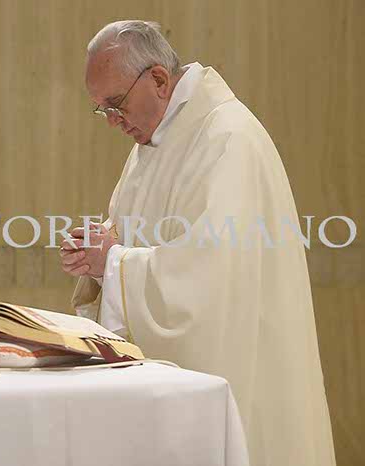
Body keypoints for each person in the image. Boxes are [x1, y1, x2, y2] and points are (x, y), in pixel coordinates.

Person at [60, 20, 336, 466]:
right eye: (101, 110)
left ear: (158, 79)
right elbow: (138, 235)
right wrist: (101, 249)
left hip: (245, 373)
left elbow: (209, 276)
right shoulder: (157, 140)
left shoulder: (226, 138)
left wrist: (114, 262)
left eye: (116, 104)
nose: (112, 120)